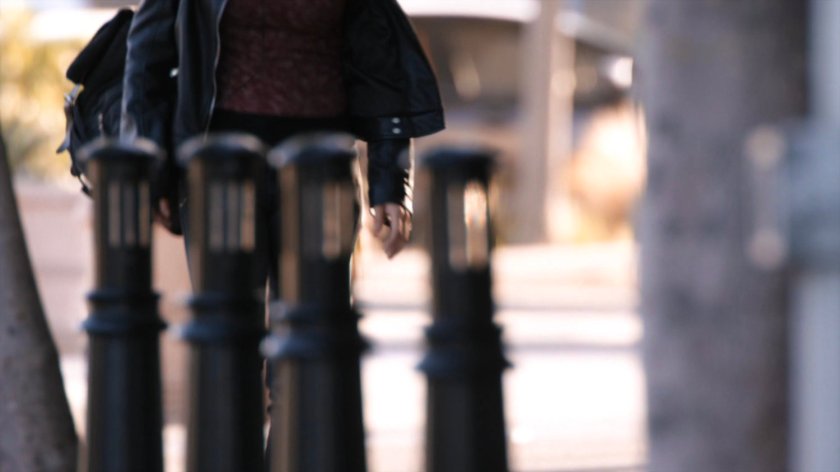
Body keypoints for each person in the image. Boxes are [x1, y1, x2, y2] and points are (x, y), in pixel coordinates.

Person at [121, 0, 445, 278]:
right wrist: (152, 167)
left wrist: (391, 180)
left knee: (317, 334)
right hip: (218, 167)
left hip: (322, 169)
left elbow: (381, 62)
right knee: (227, 333)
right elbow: (147, 55)